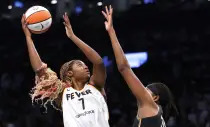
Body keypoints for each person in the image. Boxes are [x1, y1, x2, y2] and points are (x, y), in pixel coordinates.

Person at [21, 12, 109, 127]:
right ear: (69, 73)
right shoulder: (62, 92)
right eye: (80, 65)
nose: (86, 67)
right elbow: (39, 69)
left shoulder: (95, 85)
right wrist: (28, 37)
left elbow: (98, 62)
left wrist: (73, 36)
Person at [102, 5, 178, 127]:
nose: (141, 90)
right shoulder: (157, 115)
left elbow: (124, 68)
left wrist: (111, 31)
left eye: (146, 89)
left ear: (155, 98)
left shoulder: (150, 106)